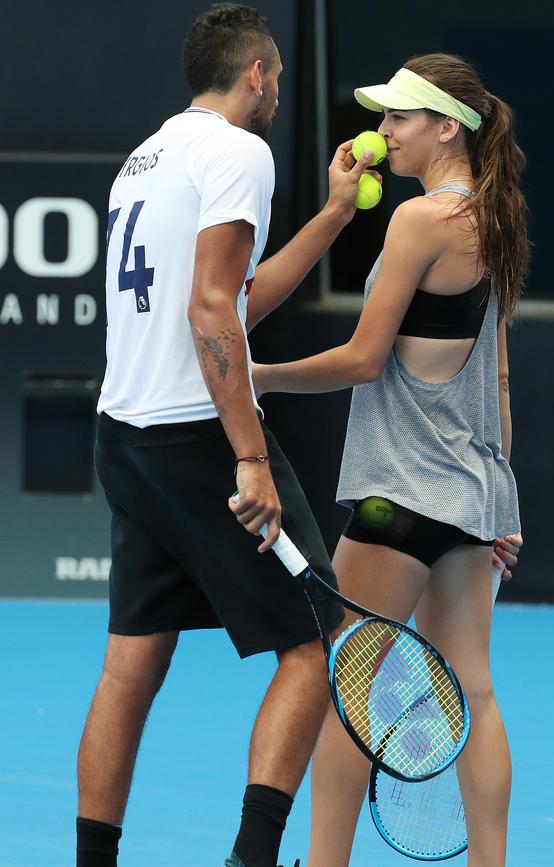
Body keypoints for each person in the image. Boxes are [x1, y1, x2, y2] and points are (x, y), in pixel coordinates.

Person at [75, 5, 378, 867]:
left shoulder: (145, 159)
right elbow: (211, 308)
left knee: (130, 666)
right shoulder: (243, 152)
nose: (278, 89)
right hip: (199, 437)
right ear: (254, 73)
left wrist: (330, 216)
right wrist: (250, 454)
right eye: (277, 75)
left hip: (124, 439)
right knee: (318, 643)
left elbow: (235, 296)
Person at [253, 54, 527, 867]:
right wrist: (501, 505)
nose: (380, 135)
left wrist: (252, 375)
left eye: (397, 119)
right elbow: (499, 378)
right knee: (473, 688)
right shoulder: (496, 221)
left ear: (447, 126)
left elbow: (365, 358)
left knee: (347, 697)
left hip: (395, 499)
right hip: (469, 496)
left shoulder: (417, 223)